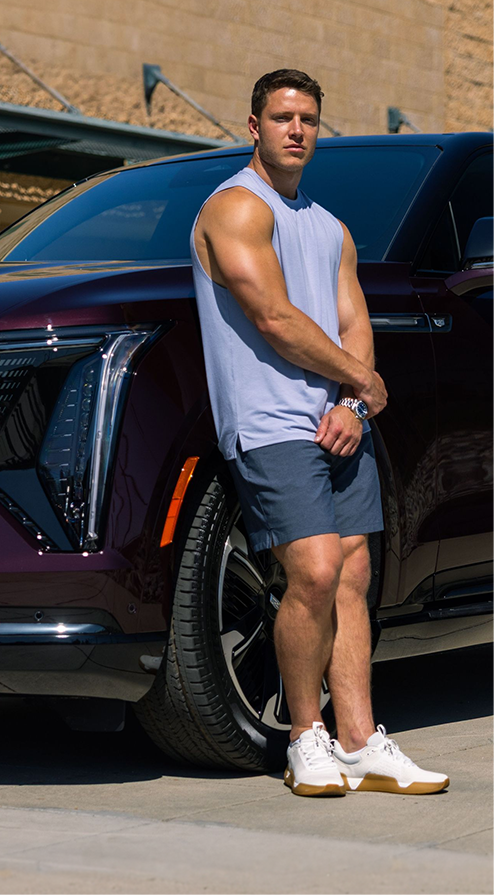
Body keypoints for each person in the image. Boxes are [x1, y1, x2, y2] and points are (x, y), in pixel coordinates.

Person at [190, 68, 449, 797]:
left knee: (354, 575)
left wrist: (352, 403)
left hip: (337, 422)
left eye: (307, 119)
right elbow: (272, 319)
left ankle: (361, 741)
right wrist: (362, 382)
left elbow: (351, 323)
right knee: (309, 571)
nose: (295, 129)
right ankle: (306, 737)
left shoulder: (329, 226)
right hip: (270, 422)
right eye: (281, 117)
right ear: (253, 127)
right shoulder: (235, 209)